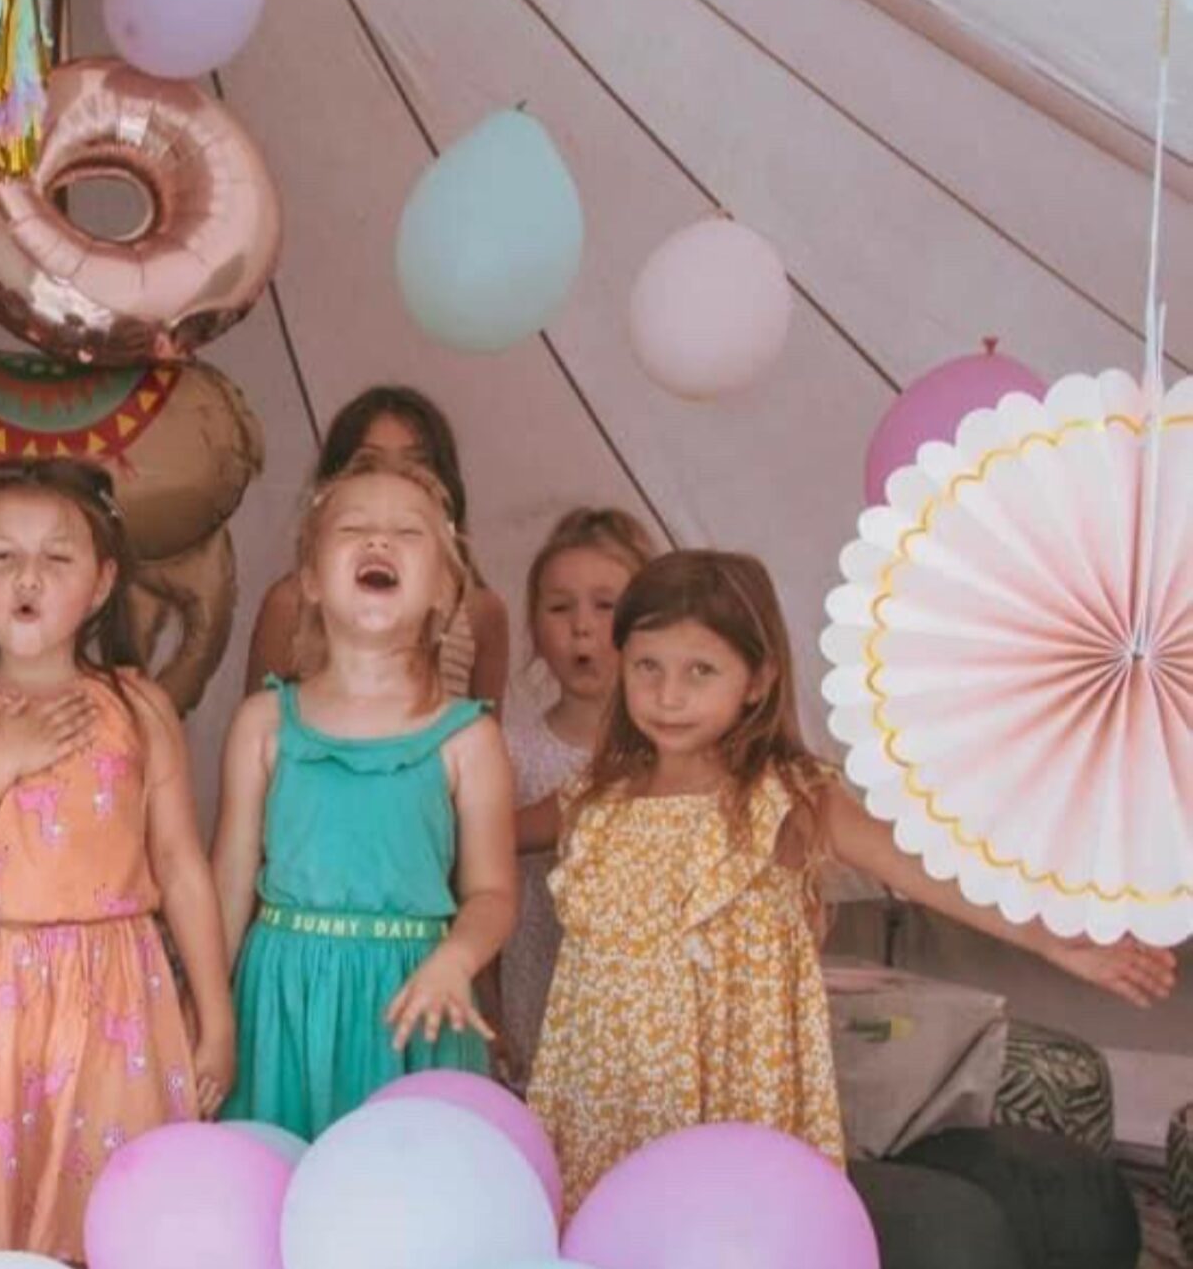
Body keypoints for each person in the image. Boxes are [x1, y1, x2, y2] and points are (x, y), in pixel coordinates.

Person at [527, 550, 1180, 1210]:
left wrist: (1056, 939)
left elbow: (925, 876)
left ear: (757, 680)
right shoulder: (595, 799)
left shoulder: (788, 798)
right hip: (606, 1099)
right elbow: (486, 838)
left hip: (729, 1097)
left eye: (701, 670)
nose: (669, 696)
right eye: (648, 667)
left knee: (719, 1225)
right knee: (605, 1225)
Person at [0, 459, 234, 1265]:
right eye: (3, 557)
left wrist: (216, 1015)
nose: (29, 577)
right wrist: (0, 759)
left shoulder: (138, 706)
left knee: (108, 1220)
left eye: (57, 557)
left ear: (101, 584)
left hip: (109, 996)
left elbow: (181, 866)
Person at [212, 452, 519, 1140]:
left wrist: (456, 961)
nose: (379, 540)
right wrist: (206, 1013)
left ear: (445, 589)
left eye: (408, 532)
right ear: (310, 580)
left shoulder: (468, 739)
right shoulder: (264, 724)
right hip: (280, 1004)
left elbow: (494, 894)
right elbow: (228, 885)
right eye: (353, 528)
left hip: (414, 1002)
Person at [497, 507, 657, 1086]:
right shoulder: (509, 751)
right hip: (537, 1000)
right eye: (560, 608)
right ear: (534, 629)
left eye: (606, 605)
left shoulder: (674, 757)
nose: (582, 628)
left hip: (644, 1020)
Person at [244, 385, 510, 705]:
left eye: (415, 465)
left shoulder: (481, 612)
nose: (391, 480)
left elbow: (489, 729)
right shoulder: (290, 605)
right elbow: (259, 724)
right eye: (368, 465)